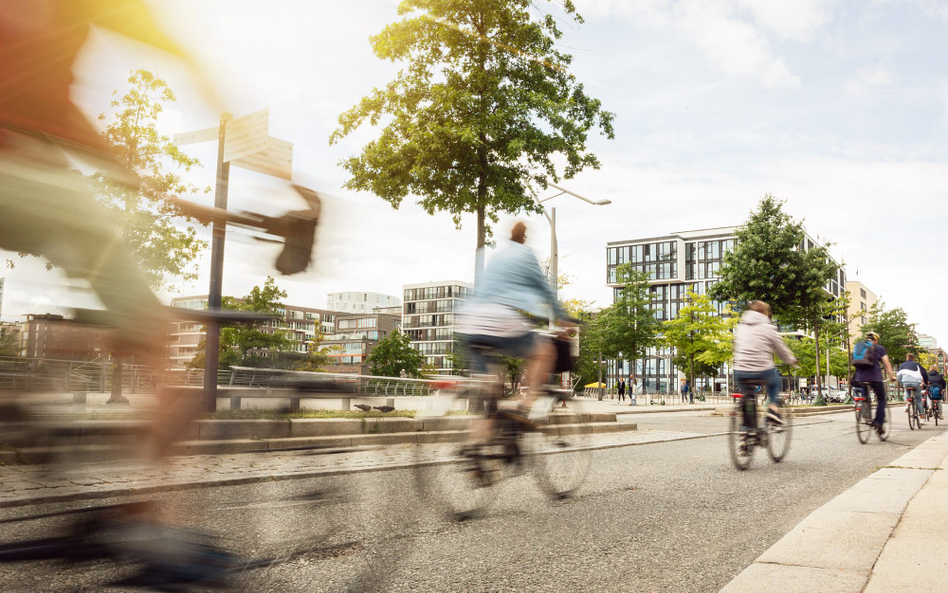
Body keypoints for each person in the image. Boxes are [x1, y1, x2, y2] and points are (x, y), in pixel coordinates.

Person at [458, 221, 574, 424]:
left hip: (470, 321)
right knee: (544, 352)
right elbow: (545, 290)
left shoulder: (497, 256)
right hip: (500, 318)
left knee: (491, 389)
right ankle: (524, 405)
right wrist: (562, 318)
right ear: (524, 238)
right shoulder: (525, 255)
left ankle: (478, 447)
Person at [733, 301, 798, 425]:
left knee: (748, 399)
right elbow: (781, 349)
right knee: (776, 381)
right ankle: (773, 410)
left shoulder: (741, 327)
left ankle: (745, 433)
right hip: (762, 369)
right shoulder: (768, 327)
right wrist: (791, 360)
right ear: (765, 313)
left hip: (740, 370)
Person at [852, 331, 897, 433]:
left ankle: (865, 414)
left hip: (860, 378)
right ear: (876, 339)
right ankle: (878, 422)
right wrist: (891, 376)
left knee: (865, 397)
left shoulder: (859, 346)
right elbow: (887, 363)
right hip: (875, 377)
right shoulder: (879, 348)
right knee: (881, 399)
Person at [897, 353, 929, 424]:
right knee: (918, 400)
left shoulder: (902, 365)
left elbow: (898, 376)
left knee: (906, 388)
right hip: (916, 383)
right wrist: (926, 382)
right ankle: (921, 419)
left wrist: (902, 384)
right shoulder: (917, 364)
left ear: (906, 358)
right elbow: (924, 374)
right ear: (913, 359)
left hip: (906, 383)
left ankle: (907, 403)